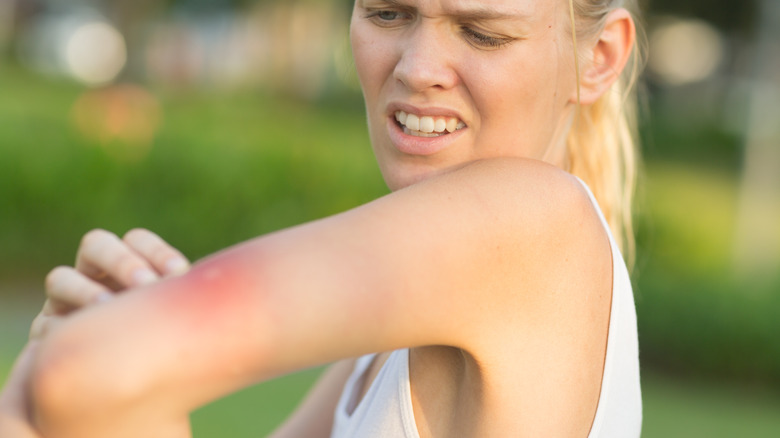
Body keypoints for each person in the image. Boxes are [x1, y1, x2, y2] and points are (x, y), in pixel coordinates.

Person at [0, 0, 644, 436]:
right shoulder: (395, 335)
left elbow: (79, 374)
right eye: (388, 13)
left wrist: (66, 370)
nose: (417, 69)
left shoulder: (532, 222)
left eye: (483, 32)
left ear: (600, 58)